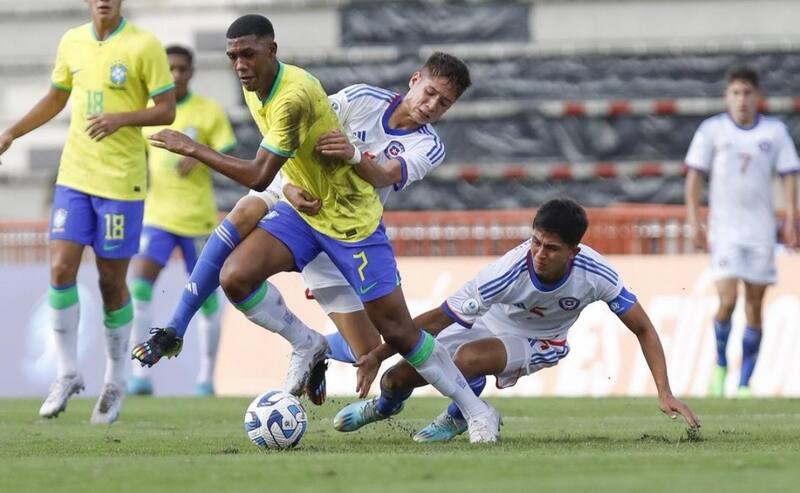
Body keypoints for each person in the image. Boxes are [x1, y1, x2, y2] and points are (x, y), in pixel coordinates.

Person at [138, 14, 500, 442]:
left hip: (353, 230)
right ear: (415, 80)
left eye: (444, 103)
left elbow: (384, 175)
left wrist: (352, 154)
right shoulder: (362, 97)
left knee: (391, 338)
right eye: (431, 92)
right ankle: (301, 342)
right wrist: (288, 187)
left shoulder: (429, 145)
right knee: (236, 274)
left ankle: (475, 410)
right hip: (305, 211)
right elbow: (302, 134)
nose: (432, 105)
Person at [333, 198, 701, 442]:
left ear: (574, 251)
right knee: (395, 379)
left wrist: (664, 391)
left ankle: (461, 415)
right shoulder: (506, 271)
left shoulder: (596, 274)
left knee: (467, 359)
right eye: (536, 242)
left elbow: (643, 328)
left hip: (540, 341)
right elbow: (439, 319)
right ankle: (383, 407)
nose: (539, 253)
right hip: (485, 324)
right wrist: (378, 355)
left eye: (551, 248)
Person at [0, 0, 175, 424]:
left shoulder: (144, 44)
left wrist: (121, 119)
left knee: (110, 281)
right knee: (61, 267)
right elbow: (55, 97)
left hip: (121, 182)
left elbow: (166, 108)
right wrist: (12, 132)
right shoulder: (72, 41)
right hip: (74, 176)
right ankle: (67, 372)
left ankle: (115, 379)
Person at [128, 45, 237, 397]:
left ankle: (206, 378)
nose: (175, 75)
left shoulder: (208, 111)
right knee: (139, 286)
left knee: (206, 296)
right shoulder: (150, 112)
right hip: (157, 217)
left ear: (191, 72)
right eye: (170, 69)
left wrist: (200, 154)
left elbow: (229, 154)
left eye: (181, 69)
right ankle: (140, 375)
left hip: (198, 221)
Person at [685, 66, 799, 398]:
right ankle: (721, 365)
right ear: (727, 96)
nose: (742, 100)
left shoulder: (774, 132)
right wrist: (694, 220)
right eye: (736, 93)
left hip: (761, 233)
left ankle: (746, 382)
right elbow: (694, 176)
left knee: (754, 307)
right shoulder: (713, 130)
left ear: (758, 96)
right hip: (725, 232)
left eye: (748, 93)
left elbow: (789, 175)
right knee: (727, 301)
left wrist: (790, 220)